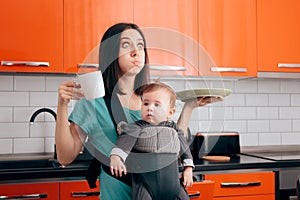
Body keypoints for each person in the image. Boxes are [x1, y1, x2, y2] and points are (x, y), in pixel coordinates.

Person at [55, 22, 223, 200]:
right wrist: (62, 105)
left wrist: (189, 107)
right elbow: (65, 157)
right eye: (126, 45)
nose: (136, 52)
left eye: (140, 45)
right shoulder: (93, 102)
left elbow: (169, 140)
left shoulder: (150, 97)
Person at [110, 82, 194, 200]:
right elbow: (125, 140)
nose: (149, 107)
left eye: (157, 105)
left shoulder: (174, 129)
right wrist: (116, 157)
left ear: (170, 112)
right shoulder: (137, 126)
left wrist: (188, 169)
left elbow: (185, 149)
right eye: (146, 103)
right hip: (145, 184)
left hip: (174, 186)